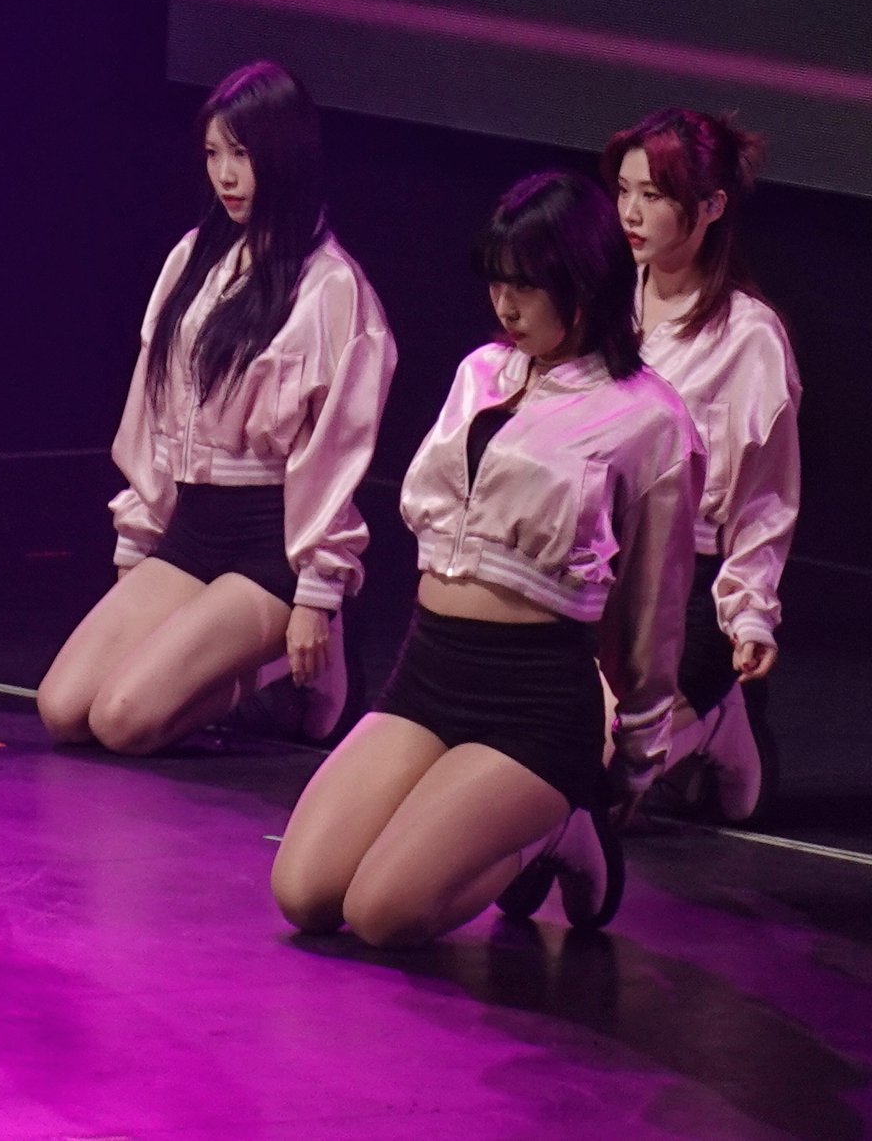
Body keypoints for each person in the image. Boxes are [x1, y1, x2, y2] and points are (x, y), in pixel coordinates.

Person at [271, 171, 700, 946]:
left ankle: (561, 825)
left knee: (383, 913)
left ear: (583, 283)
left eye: (526, 286)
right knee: (304, 893)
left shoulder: (650, 420)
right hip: (430, 671)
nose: (505, 305)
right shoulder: (480, 373)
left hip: (535, 703)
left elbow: (653, 614)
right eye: (498, 282)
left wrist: (637, 755)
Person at [36, 61, 395, 752]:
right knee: (63, 708)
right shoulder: (194, 258)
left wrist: (316, 594)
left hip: (271, 546)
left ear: (284, 157)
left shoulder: (331, 288)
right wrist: (138, 535)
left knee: (122, 721)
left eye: (242, 155)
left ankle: (279, 673)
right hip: (193, 528)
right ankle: (231, 663)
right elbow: (152, 409)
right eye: (213, 154)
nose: (225, 176)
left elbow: (334, 457)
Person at [608, 110, 799, 824]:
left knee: (601, 776)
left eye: (653, 195)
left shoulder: (748, 337)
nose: (631, 212)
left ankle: (720, 721)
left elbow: (765, 498)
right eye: (624, 190)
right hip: (596, 574)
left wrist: (749, 615)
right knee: (539, 763)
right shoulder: (601, 299)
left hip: (688, 591)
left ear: (712, 206)